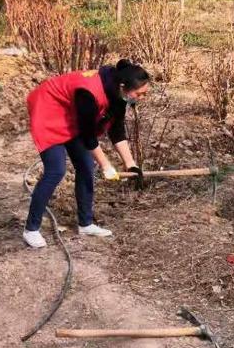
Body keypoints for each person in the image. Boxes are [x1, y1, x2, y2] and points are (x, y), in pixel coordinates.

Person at [22, 60, 149, 248]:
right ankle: (31, 229)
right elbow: (88, 136)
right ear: (124, 87)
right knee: (56, 170)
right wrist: (106, 165)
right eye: (139, 94)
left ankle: (85, 224)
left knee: (86, 166)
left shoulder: (118, 94)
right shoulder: (88, 92)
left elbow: (117, 131)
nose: (142, 97)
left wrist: (131, 164)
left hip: (70, 114)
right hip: (48, 109)